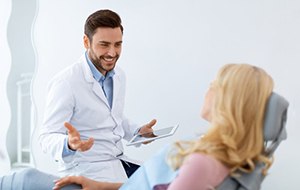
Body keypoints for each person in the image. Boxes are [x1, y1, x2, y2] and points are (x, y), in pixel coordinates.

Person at [0, 63, 275, 189]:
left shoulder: (203, 161)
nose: (208, 88)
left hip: (115, 175)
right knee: (24, 179)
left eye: (216, 84)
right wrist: (95, 183)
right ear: (87, 41)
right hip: (111, 180)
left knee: (22, 180)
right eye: (105, 45)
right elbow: (111, 124)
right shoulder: (215, 151)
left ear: (231, 101)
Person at [38, 9, 156, 183]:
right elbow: (46, 137)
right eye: (104, 44)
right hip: (86, 170)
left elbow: (113, 117)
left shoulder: (119, 76)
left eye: (118, 44)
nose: (112, 53)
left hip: (117, 162)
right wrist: (69, 144)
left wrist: (138, 132)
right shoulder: (67, 82)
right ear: (86, 41)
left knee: (165, 178)